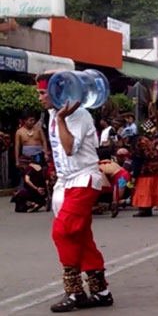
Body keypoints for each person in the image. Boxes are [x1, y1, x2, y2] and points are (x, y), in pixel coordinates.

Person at [36, 73, 114, 312]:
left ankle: (74, 292)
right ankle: (101, 292)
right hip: (65, 182)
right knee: (81, 237)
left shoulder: (78, 115)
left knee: (63, 231)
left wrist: (61, 120)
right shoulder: (50, 115)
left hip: (83, 179)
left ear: (58, 92)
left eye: (42, 93)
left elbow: (69, 149)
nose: (39, 98)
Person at [131, 136, 158, 217]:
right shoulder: (150, 147)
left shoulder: (138, 148)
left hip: (145, 173)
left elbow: (137, 163)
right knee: (152, 192)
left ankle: (143, 210)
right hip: (156, 172)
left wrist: (134, 176)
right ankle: (148, 209)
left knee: (143, 192)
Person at [97, 150, 130, 218]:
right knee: (117, 196)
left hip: (119, 177)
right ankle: (118, 204)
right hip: (125, 174)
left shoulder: (100, 165)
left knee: (116, 197)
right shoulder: (111, 162)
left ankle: (115, 207)